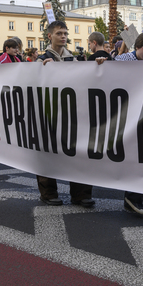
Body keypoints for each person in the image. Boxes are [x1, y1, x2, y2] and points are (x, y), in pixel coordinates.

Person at [36, 20, 94, 208]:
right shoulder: (41, 59)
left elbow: (86, 79)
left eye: (65, 33)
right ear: (49, 36)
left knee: (78, 152)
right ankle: (48, 192)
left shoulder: (74, 59)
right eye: (59, 33)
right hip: (49, 114)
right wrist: (41, 69)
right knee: (47, 153)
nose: (63, 36)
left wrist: (99, 65)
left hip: (72, 113)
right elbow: (30, 83)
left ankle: (81, 194)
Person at [114, 32, 143, 214]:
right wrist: (101, 63)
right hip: (126, 116)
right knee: (136, 158)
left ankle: (134, 199)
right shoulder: (123, 60)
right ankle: (132, 199)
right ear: (138, 46)